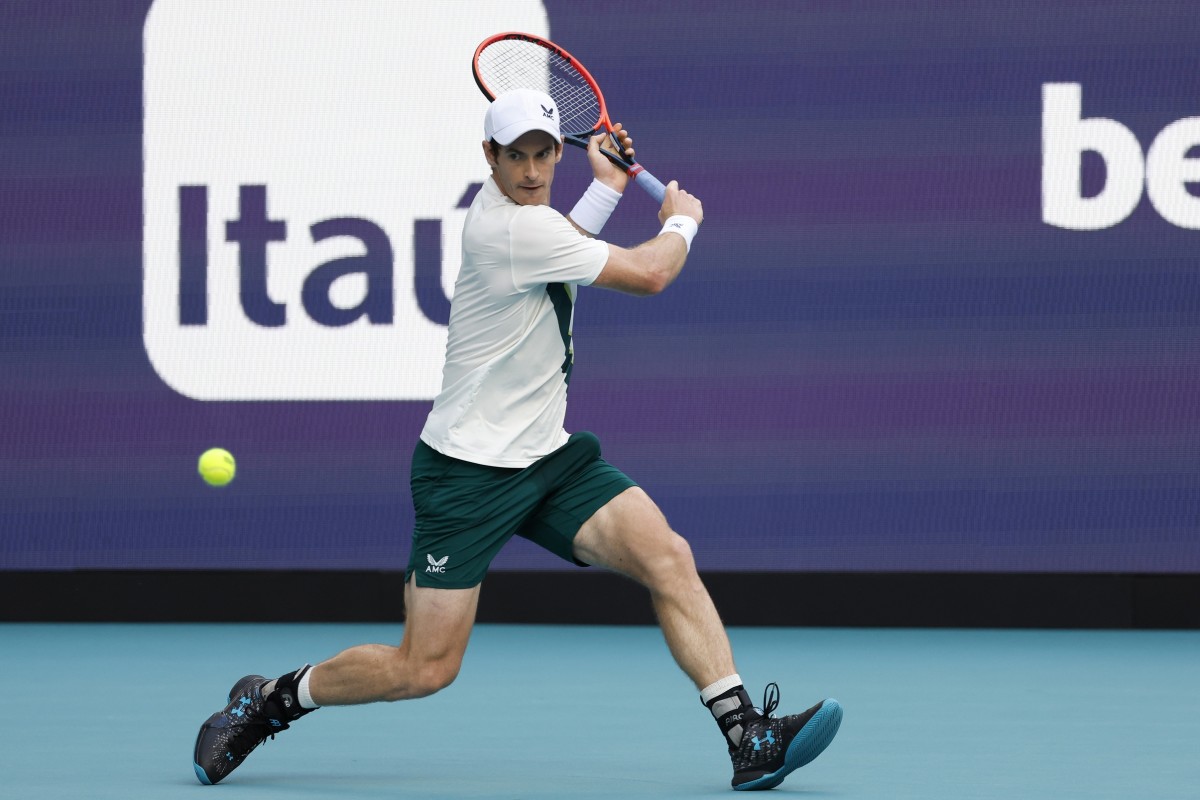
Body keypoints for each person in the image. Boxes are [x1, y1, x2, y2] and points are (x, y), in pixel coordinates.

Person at [193, 88, 842, 791]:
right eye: (515, 157)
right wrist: (682, 222)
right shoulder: (509, 230)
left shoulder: (533, 228)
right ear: (490, 157)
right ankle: (268, 701)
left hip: (547, 458)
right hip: (466, 474)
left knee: (668, 556)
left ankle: (747, 736)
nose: (531, 170)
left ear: (556, 154)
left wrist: (606, 187)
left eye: (542, 154)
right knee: (425, 668)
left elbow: (562, 247)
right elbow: (650, 273)